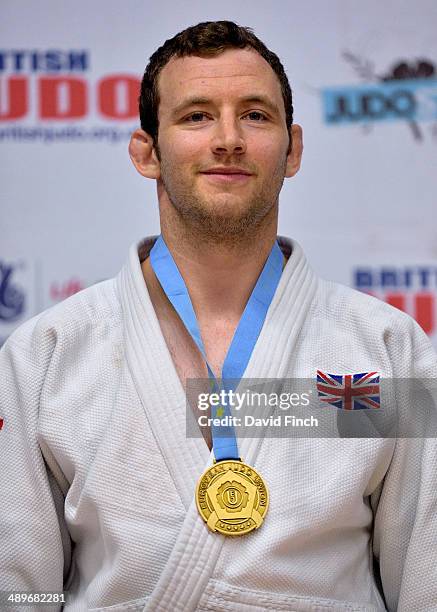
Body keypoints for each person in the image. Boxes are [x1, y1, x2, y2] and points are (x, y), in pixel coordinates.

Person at [1, 20, 437, 612]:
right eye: (196, 116)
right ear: (146, 152)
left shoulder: (387, 351)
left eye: (255, 115)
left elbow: (425, 584)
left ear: (294, 149)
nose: (228, 139)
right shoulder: (47, 355)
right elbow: (23, 594)